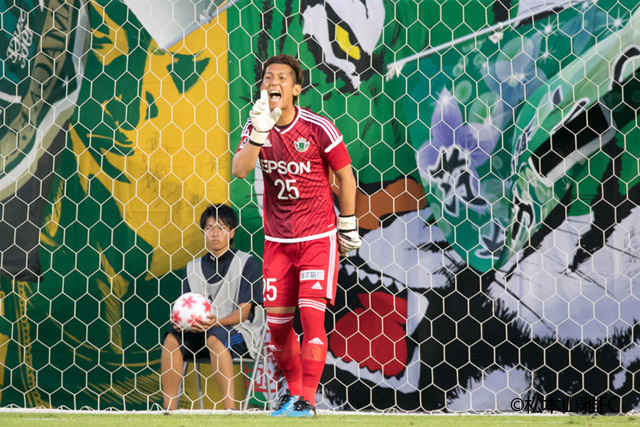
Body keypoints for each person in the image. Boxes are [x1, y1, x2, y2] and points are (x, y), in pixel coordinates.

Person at [232, 54, 361, 417]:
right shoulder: (255, 125)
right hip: (277, 243)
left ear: (296, 89)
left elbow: (346, 176)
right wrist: (259, 132)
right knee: (277, 329)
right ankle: (293, 396)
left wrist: (348, 223)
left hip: (317, 238)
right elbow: (240, 171)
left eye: (282, 78)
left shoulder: (319, 127)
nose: (273, 82)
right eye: (268, 77)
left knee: (312, 318)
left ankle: (305, 398)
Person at [160, 204, 263, 410]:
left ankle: (230, 410)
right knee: (172, 339)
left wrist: (218, 322)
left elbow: (243, 313)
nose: (215, 234)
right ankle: (169, 410)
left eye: (222, 228)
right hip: (200, 332)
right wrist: (180, 321)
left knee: (216, 337)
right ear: (203, 232)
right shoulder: (192, 268)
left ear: (232, 232)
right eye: (209, 228)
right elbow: (185, 306)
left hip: (240, 333)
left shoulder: (246, 263)